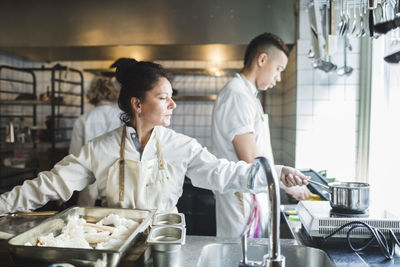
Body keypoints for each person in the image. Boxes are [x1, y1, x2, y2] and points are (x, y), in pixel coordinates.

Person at [0, 60, 309, 215]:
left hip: (165, 249)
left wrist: (274, 174)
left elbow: (222, 173)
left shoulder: (180, 146)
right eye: (163, 98)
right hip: (114, 249)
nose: (172, 104)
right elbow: (51, 183)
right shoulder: (102, 148)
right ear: (137, 104)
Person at [211, 33, 311, 238]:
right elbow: (250, 161)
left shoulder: (247, 95)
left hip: (251, 199)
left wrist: (283, 184)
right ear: (262, 59)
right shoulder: (237, 95)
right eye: (278, 69)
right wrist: (284, 183)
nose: (278, 77)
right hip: (241, 204)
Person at [69, 76, 123, 206]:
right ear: (113, 92)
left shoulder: (83, 119)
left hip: (89, 178)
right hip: (116, 177)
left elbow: (74, 154)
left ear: (92, 94)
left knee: (87, 221)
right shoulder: (122, 116)